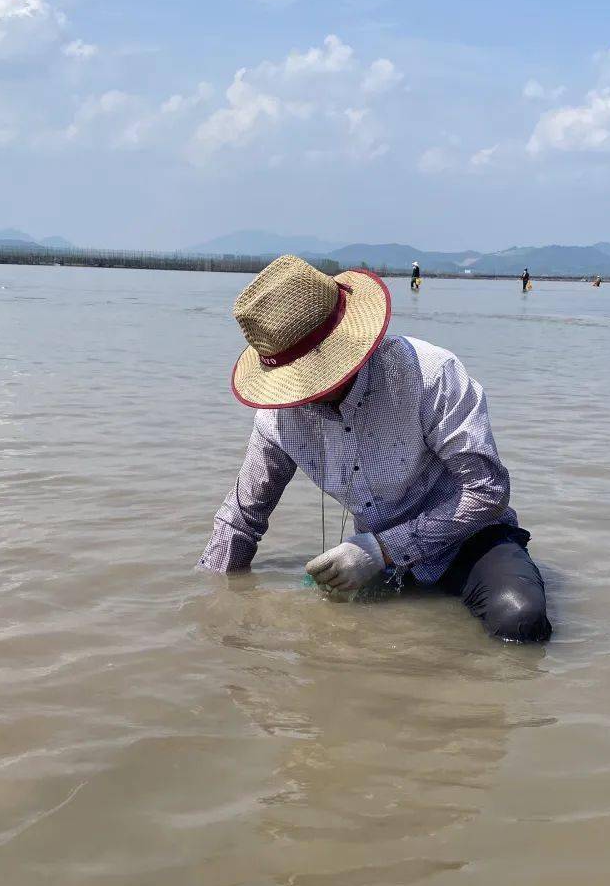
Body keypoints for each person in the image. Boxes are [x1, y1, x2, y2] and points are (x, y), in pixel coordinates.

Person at [198, 255, 551, 644]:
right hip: (371, 559)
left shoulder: (429, 374)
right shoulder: (276, 421)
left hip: (468, 542)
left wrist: (381, 549)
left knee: (520, 621)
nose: (308, 396)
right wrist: (212, 606)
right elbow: (240, 520)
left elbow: (488, 490)